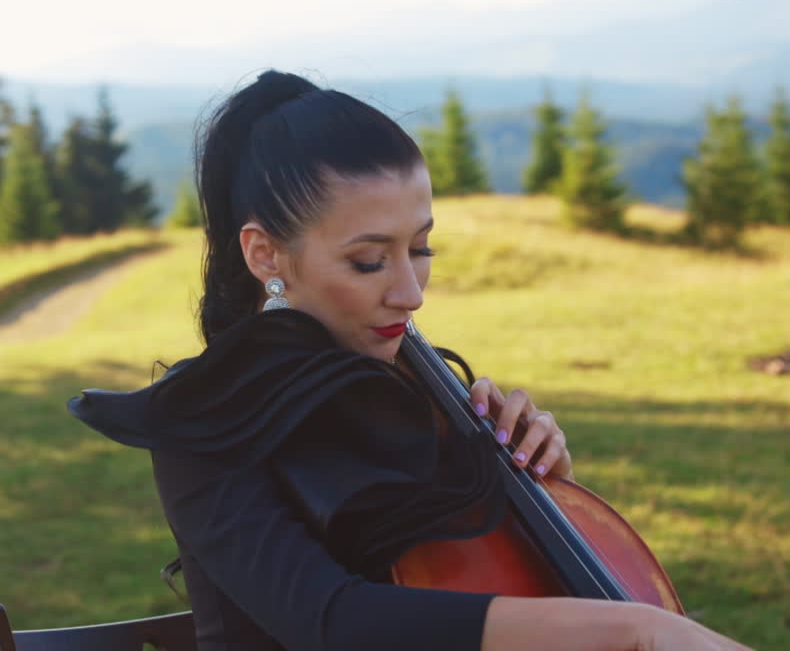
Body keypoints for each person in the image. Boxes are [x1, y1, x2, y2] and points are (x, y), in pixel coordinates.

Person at [71, 70, 751, 651]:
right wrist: (632, 629)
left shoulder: (408, 386)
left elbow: (466, 581)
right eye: (368, 261)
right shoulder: (202, 418)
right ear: (266, 256)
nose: (410, 292)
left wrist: (539, 491)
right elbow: (330, 619)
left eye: (420, 249)